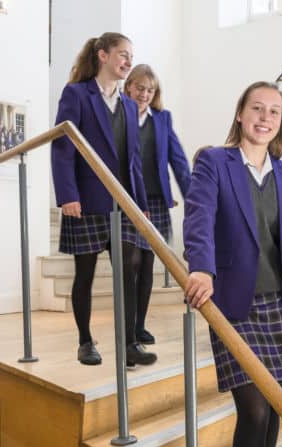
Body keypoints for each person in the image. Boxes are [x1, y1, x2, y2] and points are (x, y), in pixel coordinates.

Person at [183, 81, 282, 447]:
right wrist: (201, 269)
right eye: (256, 108)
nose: (264, 117)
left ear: (281, 124)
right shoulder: (214, 161)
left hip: (281, 303)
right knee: (254, 410)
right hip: (234, 304)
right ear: (240, 114)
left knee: (274, 406)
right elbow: (199, 217)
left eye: (274, 112)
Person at [51, 32, 157, 367]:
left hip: (122, 203)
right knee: (85, 274)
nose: (128, 61)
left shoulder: (128, 105)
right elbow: (63, 148)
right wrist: (67, 195)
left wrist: (140, 203)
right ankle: (85, 341)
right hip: (85, 201)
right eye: (122, 54)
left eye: (131, 55)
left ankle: (128, 344)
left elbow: (133, 159)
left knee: (127, 271)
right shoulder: (77, 94)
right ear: (102, 55)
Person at [124, 64, 191, 344]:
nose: (144, 94)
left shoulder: (162, 119)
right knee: (132, 264)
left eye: (150, 90)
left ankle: (139, 325)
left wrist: (193, 198)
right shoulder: (117, 115)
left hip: (156, 201)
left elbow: (177, 159)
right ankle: (127, 329)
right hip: (127, 199)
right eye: (140, 88)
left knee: (149, 263)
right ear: (129, 87)